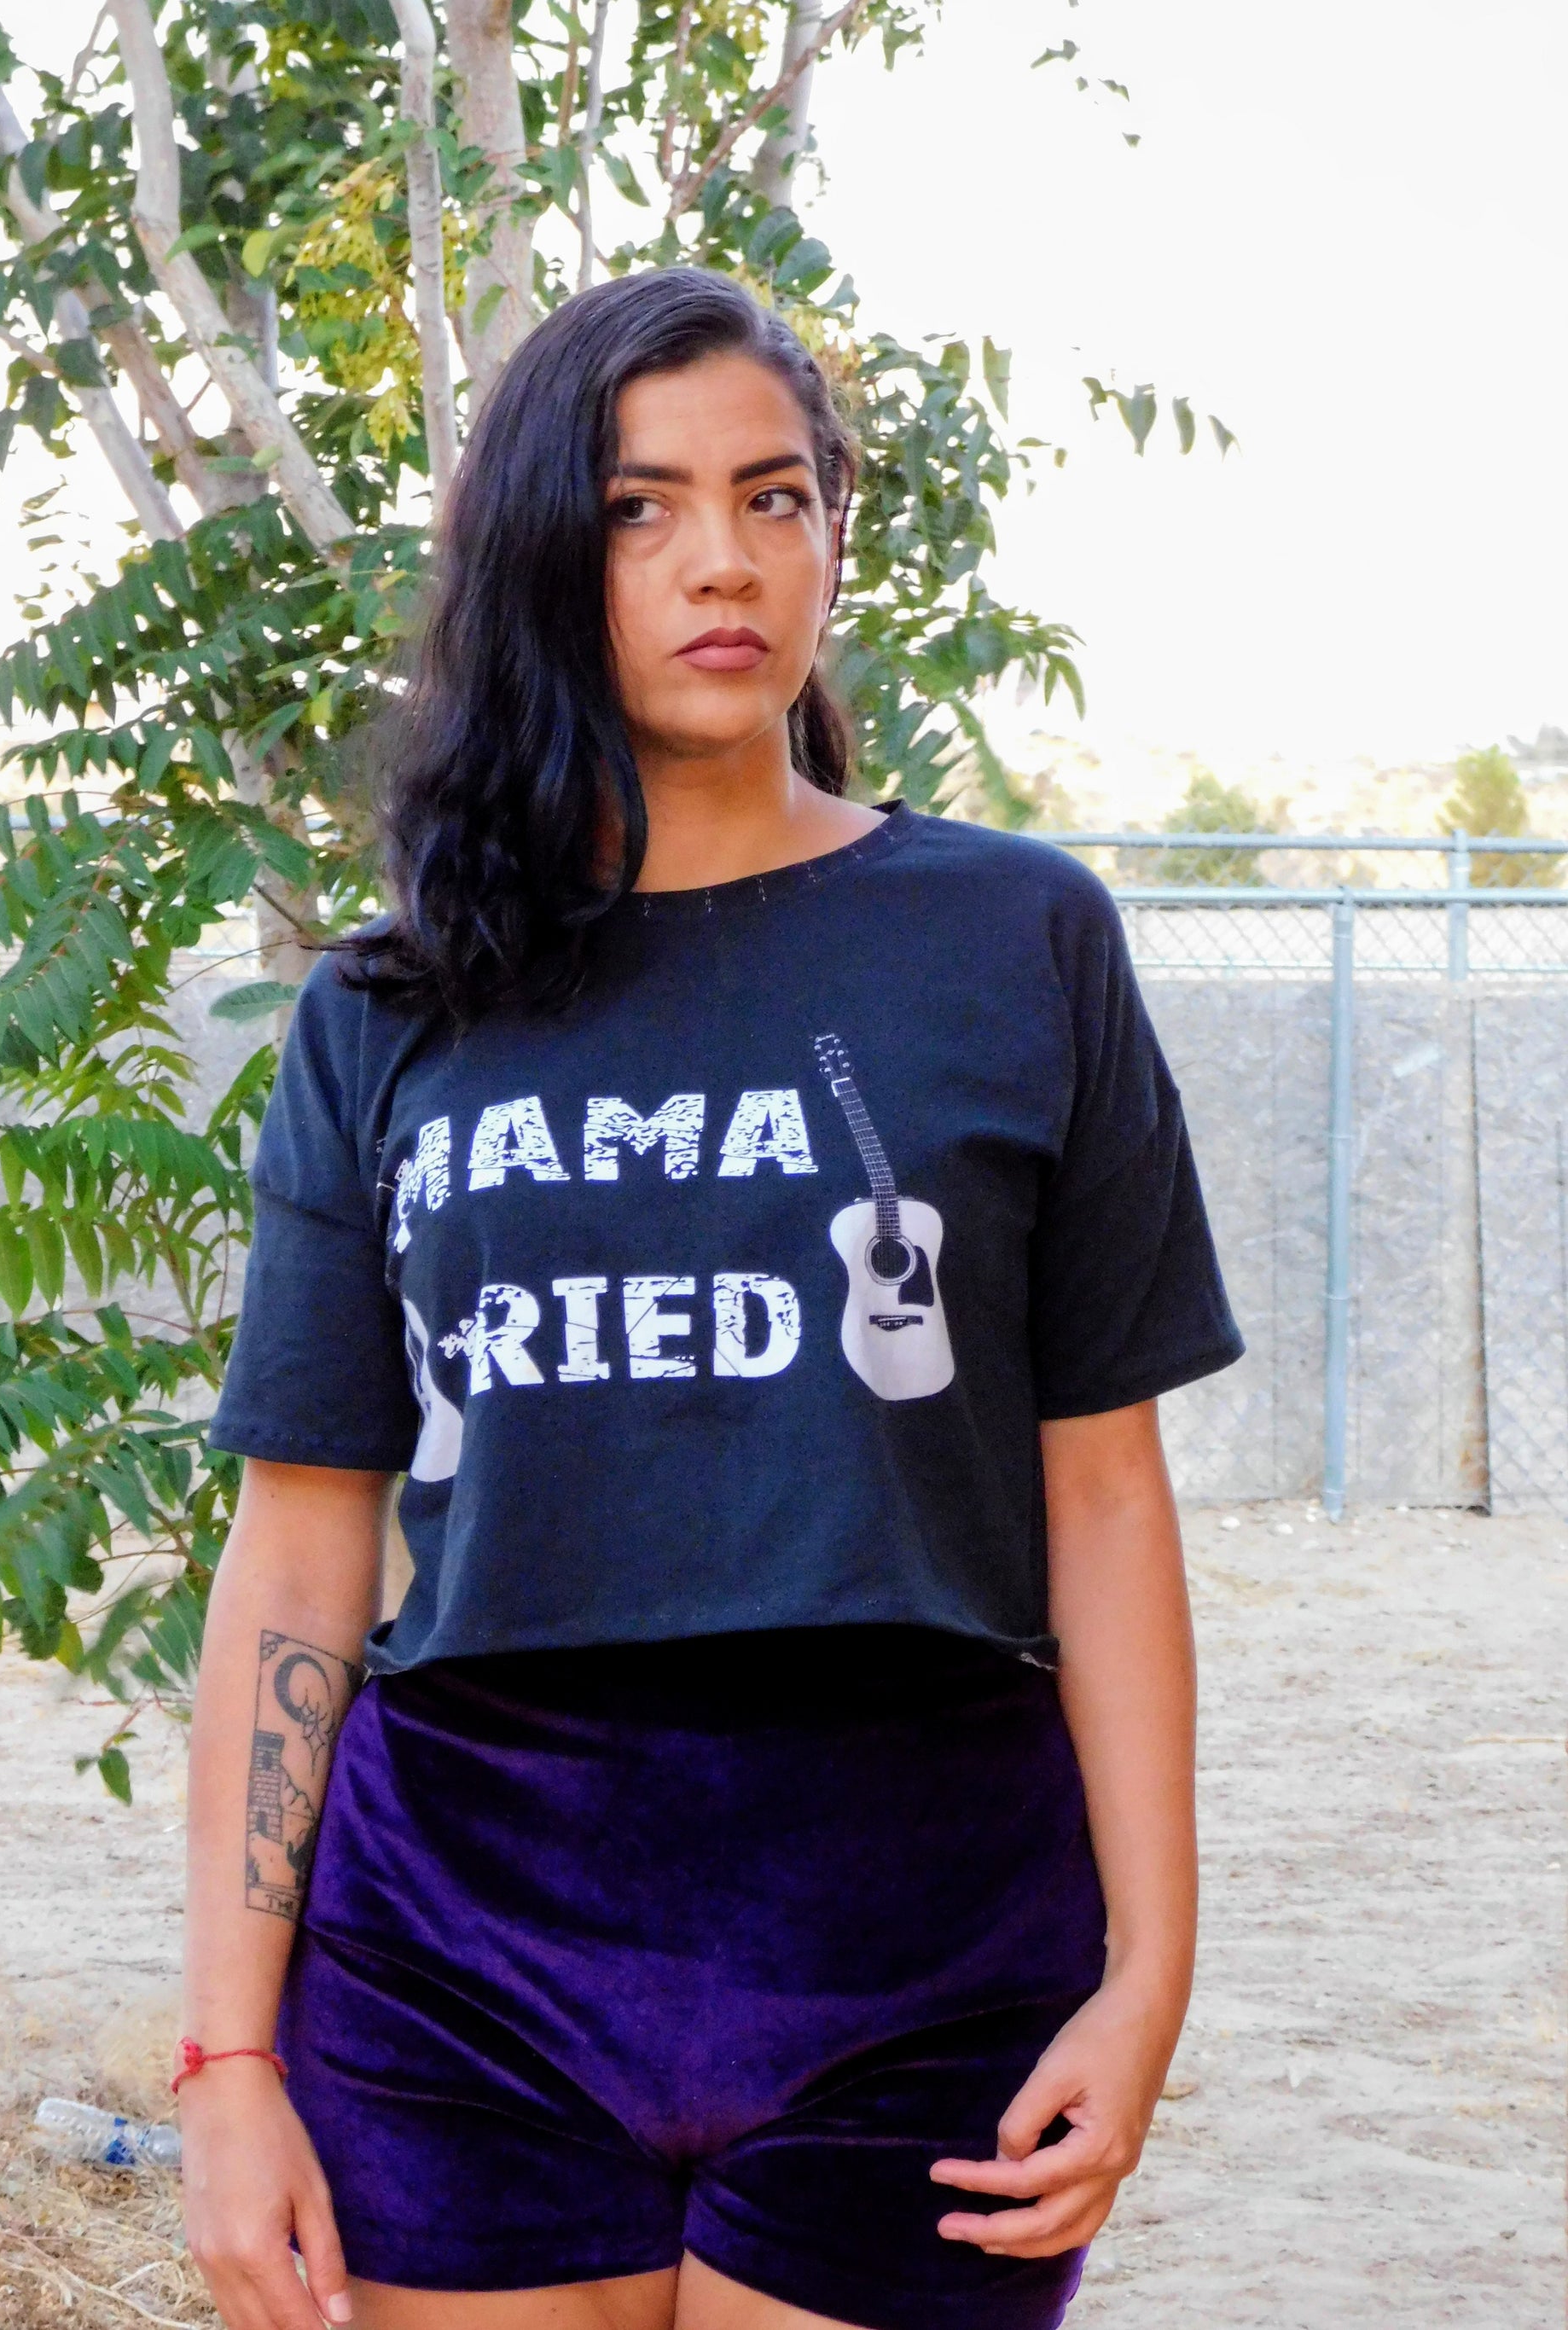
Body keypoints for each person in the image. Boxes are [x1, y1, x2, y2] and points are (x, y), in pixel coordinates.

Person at [176, 267, 1243, 2330]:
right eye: (638, 507)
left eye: (773, 496)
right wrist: (227, 2055)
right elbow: (299, 1543)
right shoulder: (389, 1008)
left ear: (836, 525)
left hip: (921, 1926)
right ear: (537, 556)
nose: (722, 562)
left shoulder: (1013, 938)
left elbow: (1104, 1493)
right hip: (461, 1940)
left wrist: (1148, 1973)